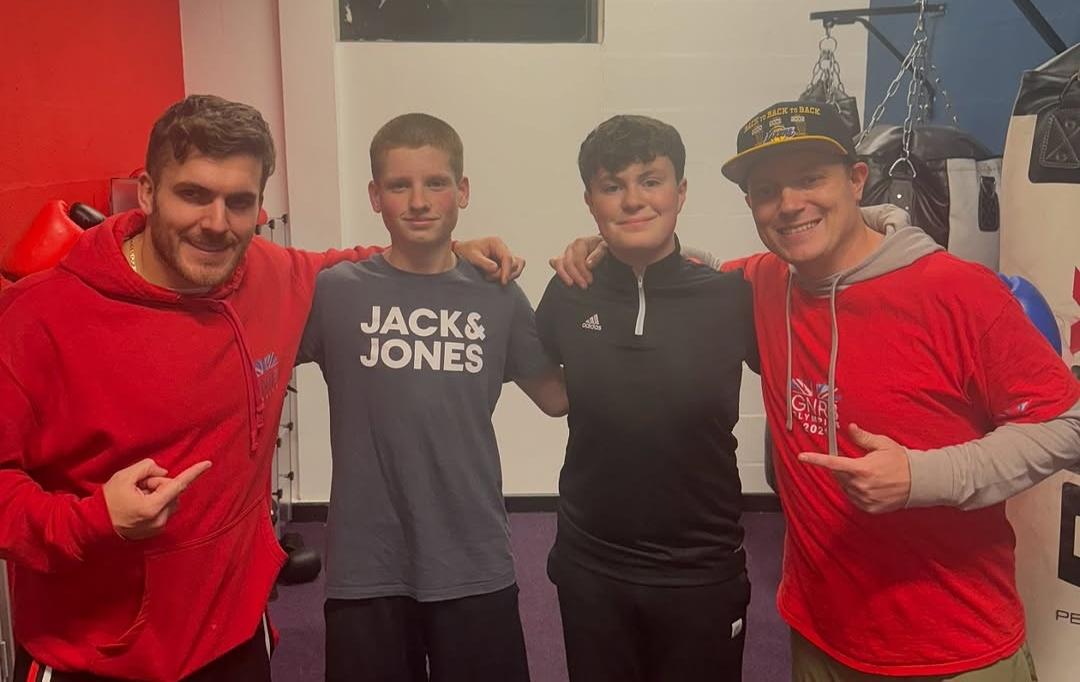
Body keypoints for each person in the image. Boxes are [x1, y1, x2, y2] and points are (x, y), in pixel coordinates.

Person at [551, 101, 1080, 680]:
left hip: (953, 644)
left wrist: (925, 475)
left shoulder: (959, 292)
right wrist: (598, 249)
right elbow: (676, 273)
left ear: (857, 179)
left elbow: (1068, 424)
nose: (790, 204)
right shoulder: (760, 285)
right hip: (820, 634)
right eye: (767, 190)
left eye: (810, 179)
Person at [0, 94, 521, 682]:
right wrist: (92, 521)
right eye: (193, 194)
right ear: (147, 192)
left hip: (236, 640)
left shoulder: (274, 276)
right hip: (98, 657)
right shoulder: (36, 316)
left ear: (259, 208)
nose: (216, 223)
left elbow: (372, 265)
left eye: (238, 202)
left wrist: (451, 251)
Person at [297, 112, 566, 682]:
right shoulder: (335, 293)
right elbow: (248, 351)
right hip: (367, 564)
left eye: (436, 183)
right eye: (399, 185)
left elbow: (558, 396)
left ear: (462, 191)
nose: (419, 201)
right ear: (375, 196)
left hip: (472, 559)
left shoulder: (497, 294)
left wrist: (609, 273)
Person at [535, 115, 758, 682]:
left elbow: (824, 271)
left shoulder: (731, 297)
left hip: (701, 570)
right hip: (592, 565)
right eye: (613, 186)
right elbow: (546, 388)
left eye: (650, 180)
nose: (633, 200)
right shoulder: (567, 292)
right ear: (591, 201)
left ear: (680, 191)